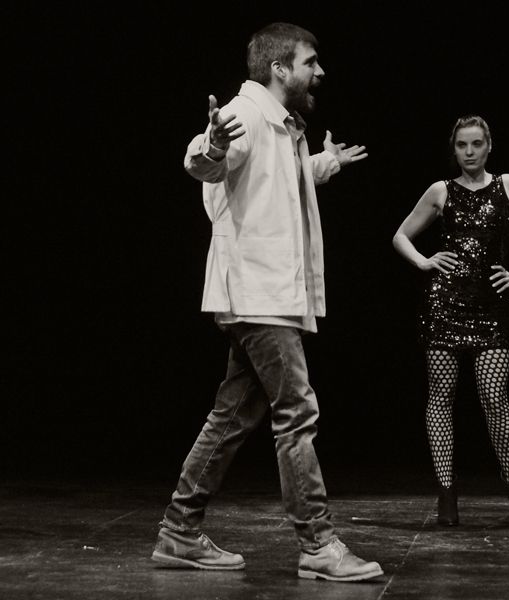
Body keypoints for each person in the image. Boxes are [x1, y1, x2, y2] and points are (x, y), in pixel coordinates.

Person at [151, 23, 383, 581]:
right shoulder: (246, 114)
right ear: (280, 68)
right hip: (260, 295)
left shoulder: (282, 125)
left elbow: (271, 183)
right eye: (310, 61)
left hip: (267, 293)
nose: (319, 71)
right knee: (297, 413)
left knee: (232, 415)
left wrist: (322, 165)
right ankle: (318, 544)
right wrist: (211, 143)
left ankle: (180, 530)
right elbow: (205, 163)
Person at [392, 116, 509, 526]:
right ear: (454, 149)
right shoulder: (440, 190)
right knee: (440, 397)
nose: (470, 152)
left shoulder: (508, 185)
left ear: (489, 145)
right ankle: (446, 493)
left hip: (491, 307)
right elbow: (400, 235)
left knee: (494, 397)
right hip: (444, 305)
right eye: (462, 145)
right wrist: (424, 262)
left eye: (476, 144)